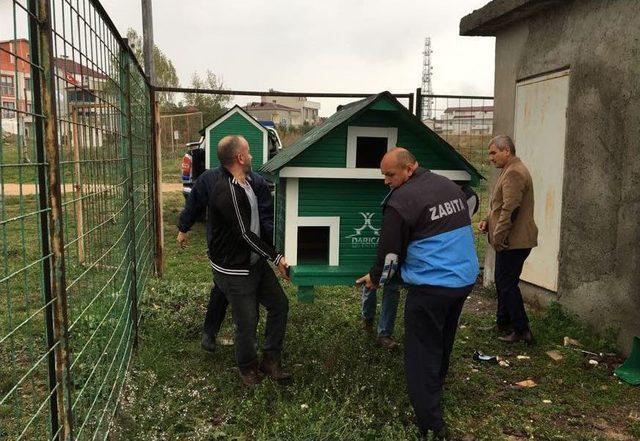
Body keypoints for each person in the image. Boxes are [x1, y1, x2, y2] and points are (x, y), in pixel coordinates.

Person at [357, 148, 479, 440]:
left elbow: (388, 255)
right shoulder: (448, 186)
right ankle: (437, 383)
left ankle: (431, 423)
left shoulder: (400, 202)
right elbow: (473, 200)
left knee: (421, 351)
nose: (386, 181)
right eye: (383, 175)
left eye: (390, 175)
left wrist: (375, 279)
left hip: (432, 286)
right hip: (463, 280)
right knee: (443, 336)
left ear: (410, 168)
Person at [177, 135, 290, 386]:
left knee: (279, 305)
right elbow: (243, 233)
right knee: (247, 321)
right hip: (233, 268)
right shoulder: (223, 189)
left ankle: (270, 360)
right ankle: (247, 367)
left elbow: (263, 221)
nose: (251, 156)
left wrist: (274, 249)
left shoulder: (251, 182)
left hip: (253, 261)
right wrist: (276, 256)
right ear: (239, 157)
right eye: (248, 152)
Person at [178, 162, 274, 353]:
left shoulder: (250, 181)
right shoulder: (253, 181)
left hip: (226, 251)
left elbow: (193, 204)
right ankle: (247, 340)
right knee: (247, 291)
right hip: (242, 251)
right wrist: (273, 248)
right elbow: (267, 219)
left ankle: (210, 333)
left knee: (222, 287)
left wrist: (183, 227)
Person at [478, 135, 538, 344]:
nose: (490, 158)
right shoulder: (509, 170)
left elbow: (510, 209)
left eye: (494, 153)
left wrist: (498, 236)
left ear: (507, 151)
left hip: (514, 241)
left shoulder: (514, 172)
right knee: (503, 282)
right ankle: (503, 322)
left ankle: (522, 330)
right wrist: (487, 220)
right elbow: (499, 204)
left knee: (507, 284)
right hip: (509, 240)